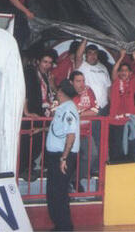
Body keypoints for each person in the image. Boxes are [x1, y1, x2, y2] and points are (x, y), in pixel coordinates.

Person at [45, 80, 80, 231]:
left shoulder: (69, 110)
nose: (56, 93)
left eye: (58, 91)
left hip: (62, 156)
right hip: (55, 155)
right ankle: (59, 224)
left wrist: (64, 158)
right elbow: (59, 130)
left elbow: (71, 136)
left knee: (59, 192)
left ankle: (65, 227)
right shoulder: (63, 108)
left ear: (62, 92)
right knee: (53, 191)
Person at [19, 49, 57, 180]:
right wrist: (26, 112)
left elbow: (50, 95)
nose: (47, 65)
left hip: (42, 114)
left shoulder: (46, 75)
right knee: (28, 143)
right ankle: (23, 169)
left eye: (50, 63)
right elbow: (25, 92)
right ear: (38, 62)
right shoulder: (30, 73)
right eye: (45, 62)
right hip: (32, 115)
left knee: (37, 143)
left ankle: (29, 167)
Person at [108, 50, 135, 161]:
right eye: (121, 70)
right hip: (116, 121)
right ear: (118, 73)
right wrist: (121, 57)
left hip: (129, 121)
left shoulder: (132, 83)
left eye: (126, 71)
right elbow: (113, 71)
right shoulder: (116, 82)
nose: (124, 72)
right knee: (116, 148)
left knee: (129, 147)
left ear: (130, 73)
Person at [69, 71, 98, 185]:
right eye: (78, 81)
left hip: (85, 132)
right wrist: (85, 112)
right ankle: (69, 183)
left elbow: (95, 110)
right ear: (71, 82)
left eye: (83, 81)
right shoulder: (66, 92)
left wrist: (78, 114)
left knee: (92, 155)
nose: (82, 84)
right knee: (70, 160)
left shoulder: (88, 90)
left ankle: (75, 180)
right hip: (70, 134)